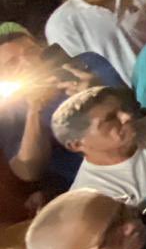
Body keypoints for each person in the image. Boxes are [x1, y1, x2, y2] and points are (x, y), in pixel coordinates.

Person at [0, 29, 123, 196]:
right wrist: (34, 110)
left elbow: (134, 112)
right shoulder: (10, 109)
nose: (28, 64)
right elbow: (28, 171)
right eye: (12, 64)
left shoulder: (87, 65)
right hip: (92, 188)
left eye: (31, 52)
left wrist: (97, 93)